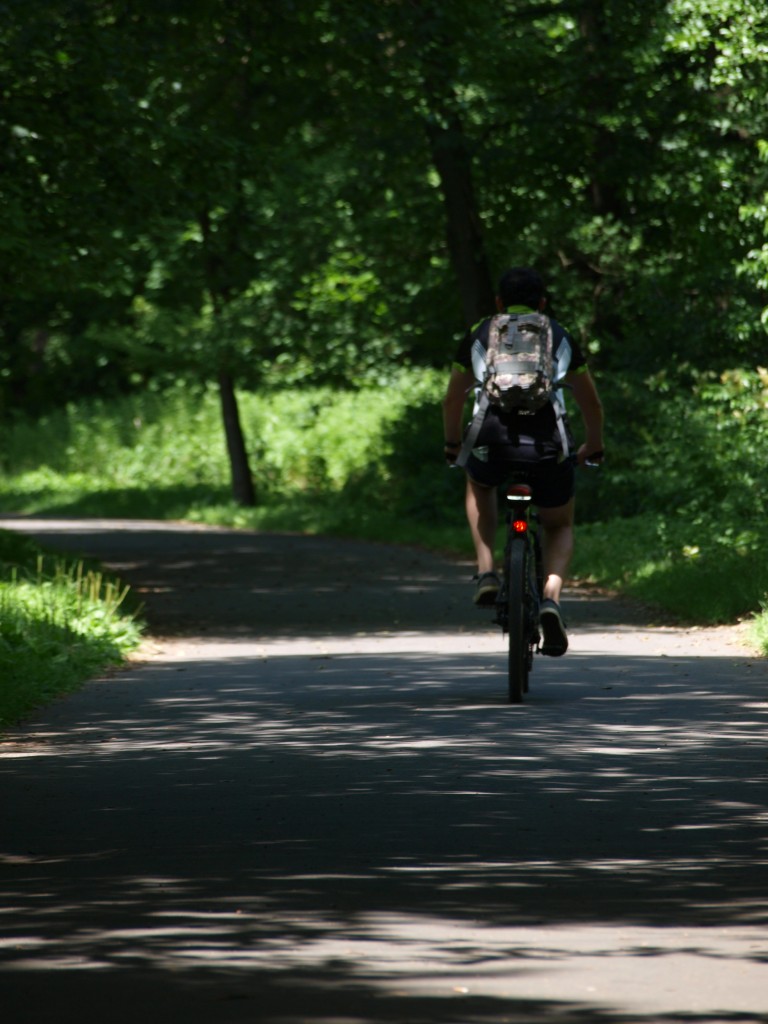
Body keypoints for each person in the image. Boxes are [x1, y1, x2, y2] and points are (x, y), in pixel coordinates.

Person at [442, 266, 604, 656]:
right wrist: (593, 445)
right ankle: (550, 597)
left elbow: (453, 398)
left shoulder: (481, 330)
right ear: (543, 303)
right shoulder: (559, 333)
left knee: (478, 483)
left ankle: (485, 572)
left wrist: (452, 443)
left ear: (498, 302)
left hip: (492, 438)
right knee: (558, 522)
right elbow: (590, 403)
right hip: (549, 442)